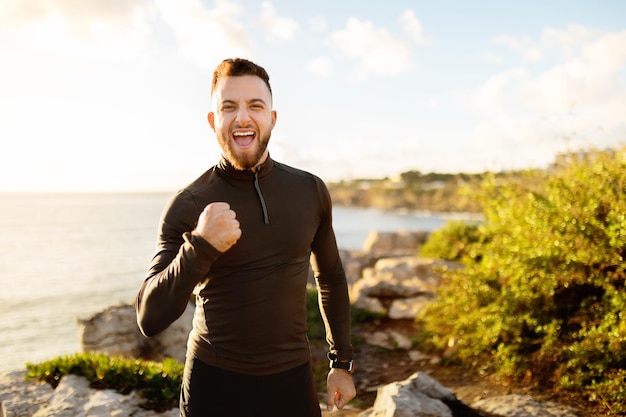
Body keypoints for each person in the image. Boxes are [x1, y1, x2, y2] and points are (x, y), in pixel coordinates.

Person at [135, 57, 356, 417]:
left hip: (293, 382)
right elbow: (149, 317)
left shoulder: (309, 190)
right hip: (215, 386)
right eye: (228, 107)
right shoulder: (188, 204)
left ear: (272, 117)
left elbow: (330, 277)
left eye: (255, 105)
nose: (242, 117)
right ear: (213, 121)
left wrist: (341, 363)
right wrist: (200, 248)